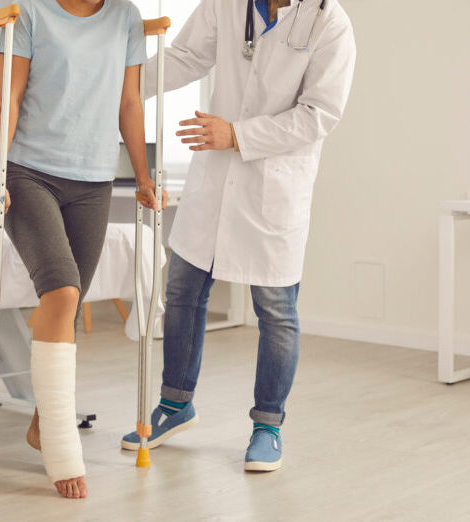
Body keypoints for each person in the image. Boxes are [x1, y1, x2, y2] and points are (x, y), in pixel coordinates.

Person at [122, 0, 356, 471]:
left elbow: (319, 115)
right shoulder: (226, 5)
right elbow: (186, 57)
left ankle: (268, 424)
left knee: (276, 310)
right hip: (214, 182)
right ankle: (174, 405)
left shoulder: (329, 22)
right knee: (184, 290)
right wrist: (123, 86)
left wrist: (239, 135)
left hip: (273, 180)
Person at [0, 0, 163, 499]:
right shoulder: (32, 12)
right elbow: (9, 97)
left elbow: (129, 103)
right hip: (29, 172)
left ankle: (43, 423)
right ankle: (61, 450)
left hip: (95, 180)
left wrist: (143, 177)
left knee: (71, 300)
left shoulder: (125, 17)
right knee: (61, 292)